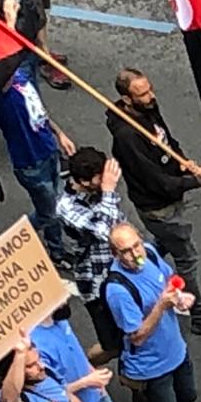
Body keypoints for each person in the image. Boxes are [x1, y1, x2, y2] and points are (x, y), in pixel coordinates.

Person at [107, 68, 201, 341]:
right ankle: (200, 316)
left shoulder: (148, 109)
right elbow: (155, 180)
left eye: (150, 89)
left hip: (170, 196)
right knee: (186, 257)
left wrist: (185, 164)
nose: (151, 97)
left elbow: (167, 141)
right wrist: (191, 182)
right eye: (142, 94)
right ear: (127, 99)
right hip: (158, 206)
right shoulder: (127, 136)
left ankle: (144, 259)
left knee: (162, 243)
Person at [101, 223, 201, 402]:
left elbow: (168, 280)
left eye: (136, 246)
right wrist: (161, 305)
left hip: (175, 348)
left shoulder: (149, 253)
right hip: (150, 365)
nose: (134, 254)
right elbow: (136, 335)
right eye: (125, 251)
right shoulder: (117, 290)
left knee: (188, 394)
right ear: (115, 254)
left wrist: (180, 296)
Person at [0, 60, 70, 262]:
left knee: (55, 206)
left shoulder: (22, 78)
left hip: (49, 151)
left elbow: (40, 112)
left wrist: (59, 134)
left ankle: (57, 250)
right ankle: (16, 241)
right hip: (31, 164)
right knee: (49, 213)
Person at [55, 148, 128, 349]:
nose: (106, 181)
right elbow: (105, 231)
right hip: (97, 282)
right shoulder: (67, 207)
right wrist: (108, 192)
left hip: (121, 266)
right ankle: (86, 368)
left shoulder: (100, 191)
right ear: (84, 182)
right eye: (100, 178)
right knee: (112, 344)